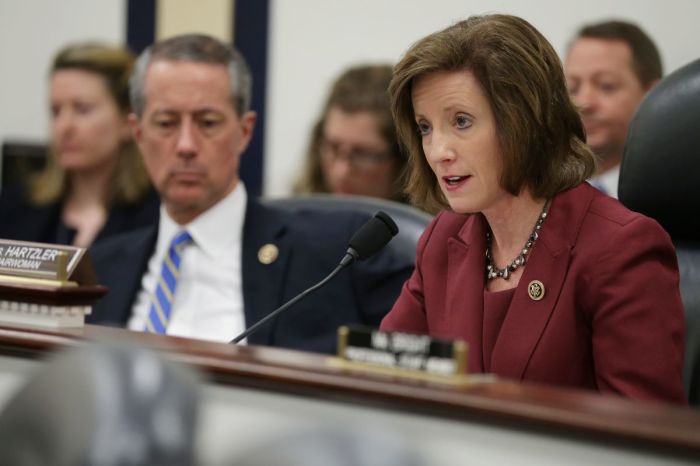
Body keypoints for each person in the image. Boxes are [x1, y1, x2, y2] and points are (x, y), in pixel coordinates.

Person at [380, 15, 685, 403]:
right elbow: (387, 374)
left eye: (461, 121)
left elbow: (644, 436)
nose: (439, 151)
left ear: (523, 120)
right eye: (425, 127)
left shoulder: (620, 248)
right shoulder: (445, 237)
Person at [87, 34, 412, 355]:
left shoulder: (338, 254)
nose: (185, 145)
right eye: (166, 123)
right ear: (139, 134)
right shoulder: (100, 268)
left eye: (208, 123)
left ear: (244, 132)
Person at [0, 42, 159, 247]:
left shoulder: (158, 217)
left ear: (126, 122)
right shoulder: (15, 208)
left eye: (82, 109)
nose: (64, 126)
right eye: (56, 111)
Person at [564, 20, 662, 198]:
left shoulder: (680, 193)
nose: (584, 103)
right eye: (572, 88)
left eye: (606, 85)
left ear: (653, 94)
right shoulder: (540, 195)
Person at [294, 65, 408, 202]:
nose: (341, 172)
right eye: (333, 147)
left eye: (363, 154)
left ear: (404, 159)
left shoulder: (429, 222)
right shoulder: (297, 212)